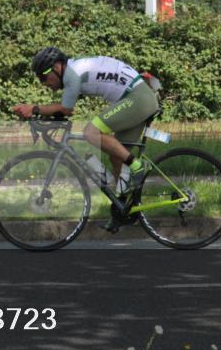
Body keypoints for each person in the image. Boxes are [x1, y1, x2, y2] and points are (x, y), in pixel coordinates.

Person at [12, 47, 159, 229]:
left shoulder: (71, 74)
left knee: (91, 132)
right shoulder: (73, 71)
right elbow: (63, 111)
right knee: (117, 157)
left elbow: (66, 109)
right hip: (137, 97)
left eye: (43, 77)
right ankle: (123, 210)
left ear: (57, 67)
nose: (43, 83)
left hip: (138, 98)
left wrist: (34, 109)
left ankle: (138, 167)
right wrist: (41, 116)